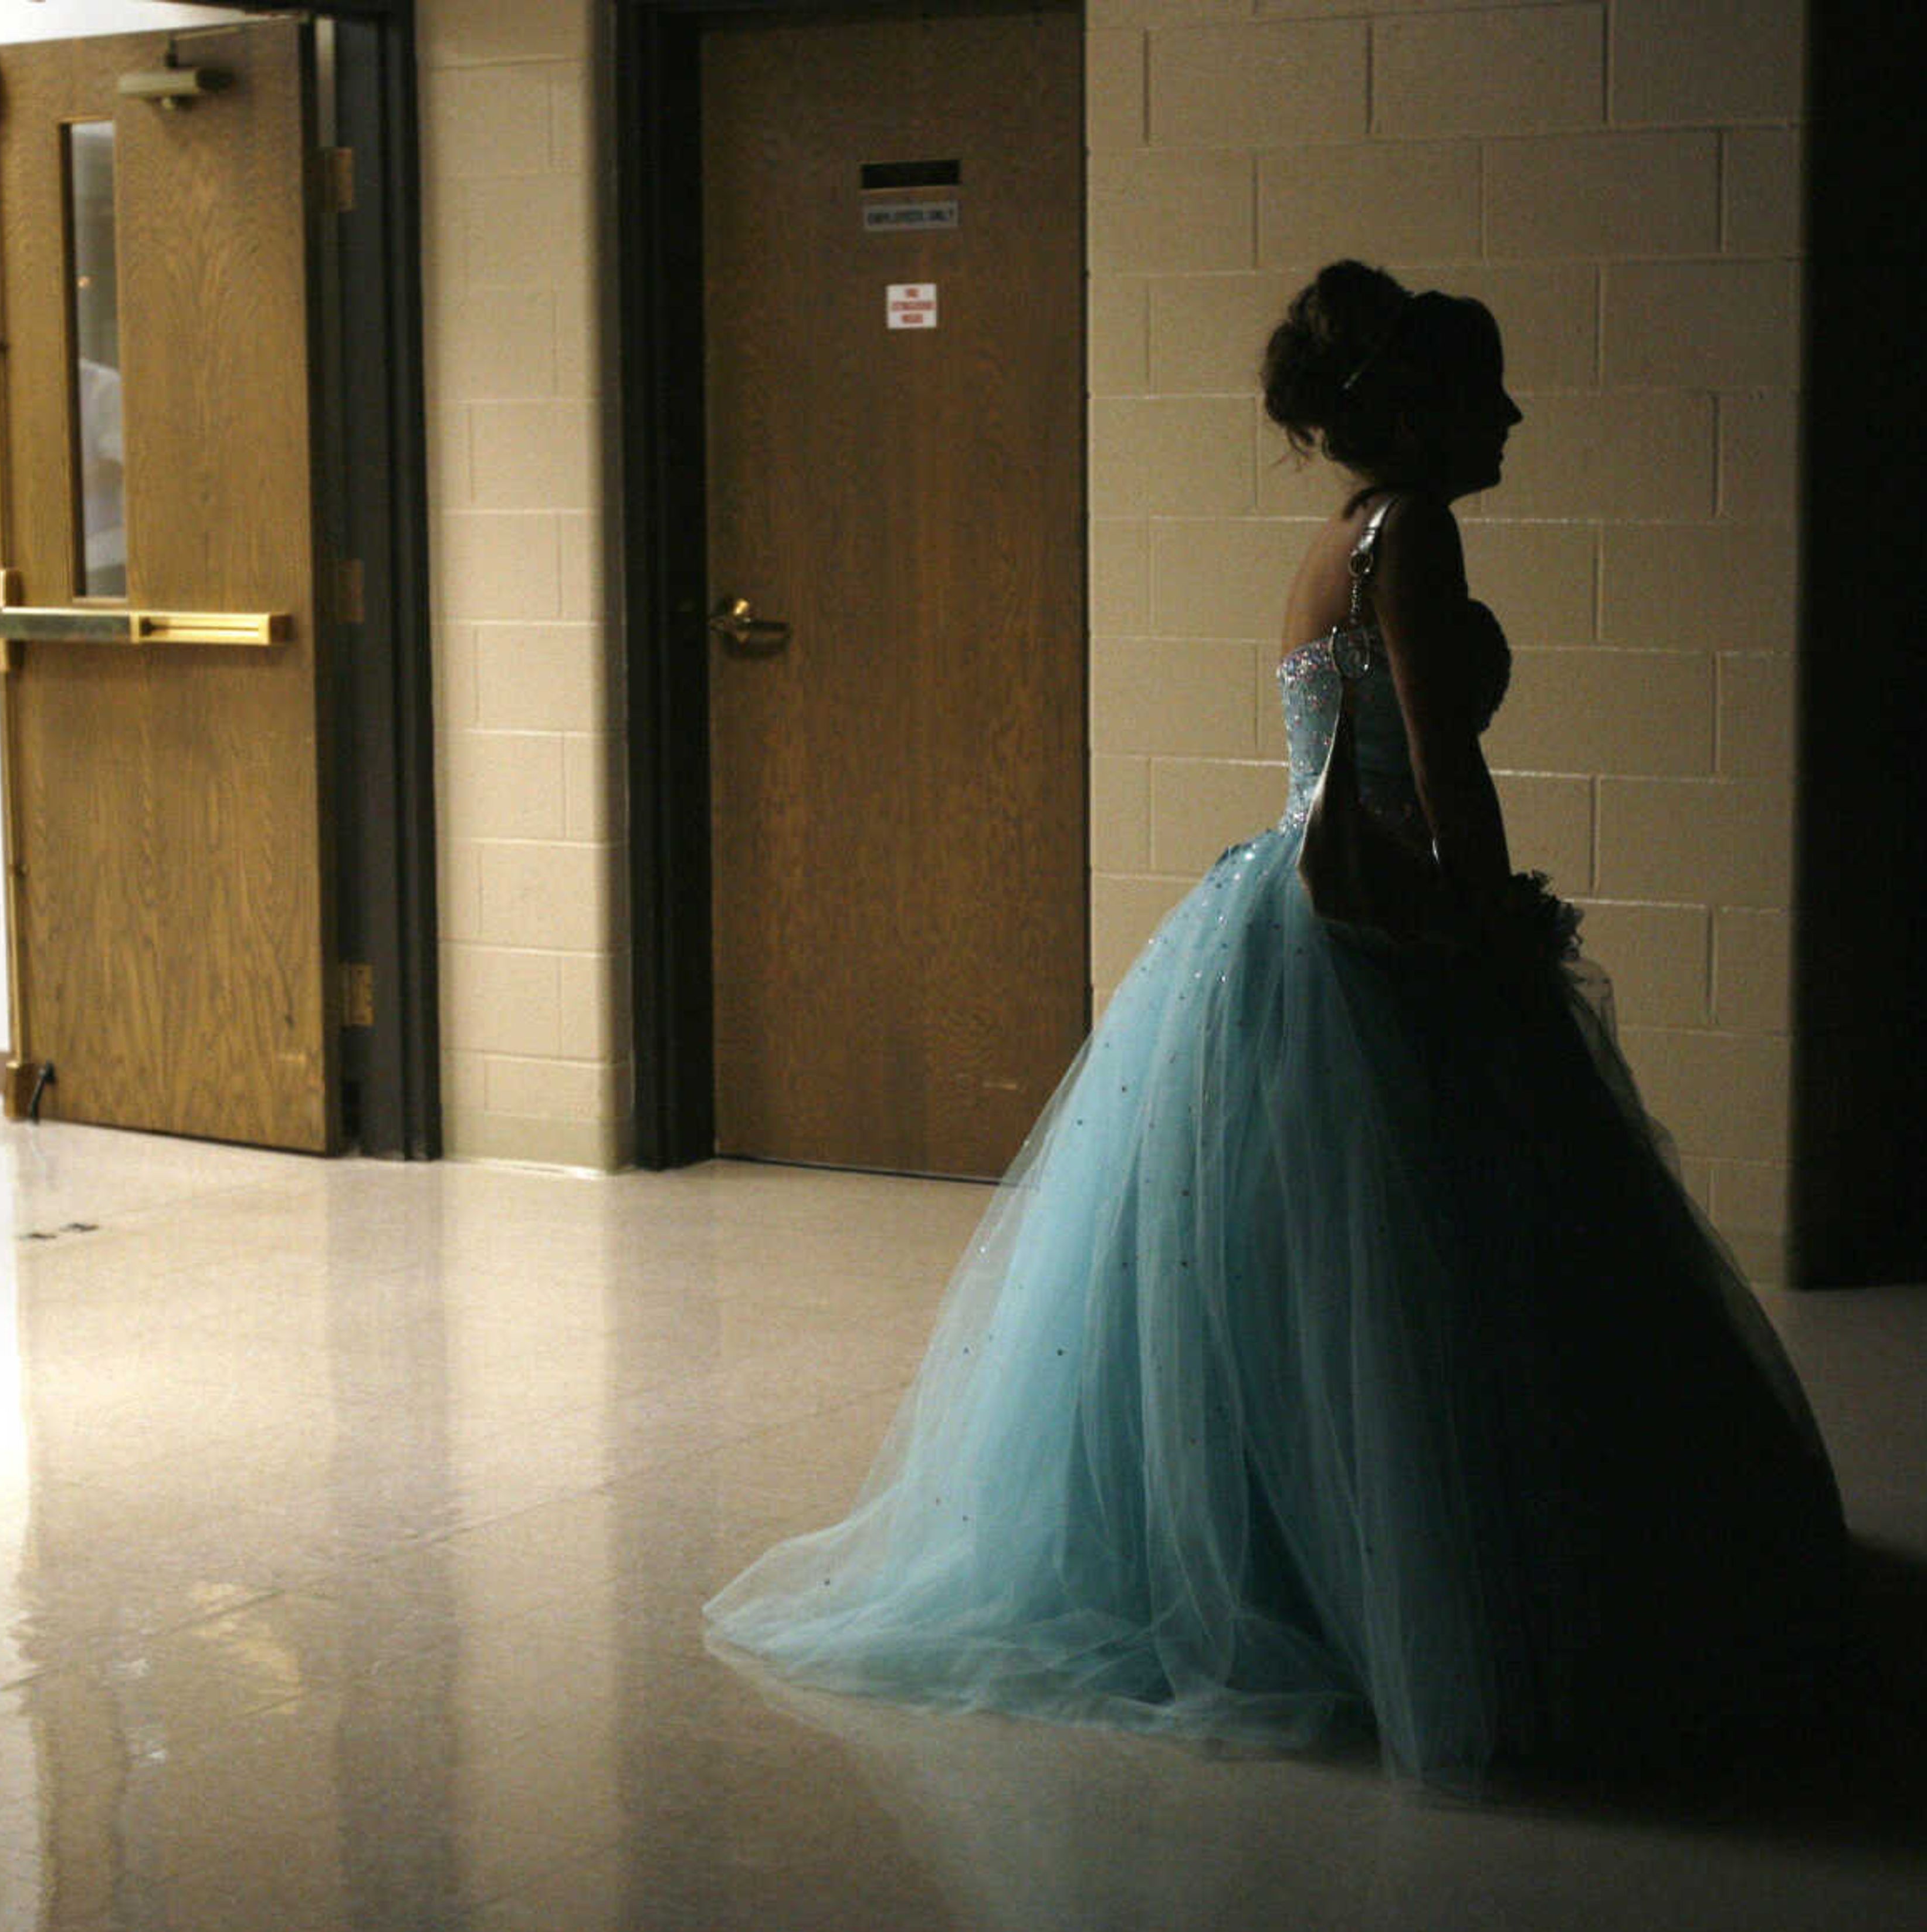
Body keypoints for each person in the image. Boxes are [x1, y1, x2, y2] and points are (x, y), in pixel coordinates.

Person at [706, 262, 1848, 1791]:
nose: (1513, 413)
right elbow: (1444, 768)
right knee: (1422, 1273)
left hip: (1283, 905)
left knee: (1302, 1268)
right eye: (1489, 389)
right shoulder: (1416, 534)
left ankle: (1289, 1555)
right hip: (1382, 926)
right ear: (1423, 409)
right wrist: (1498, 931)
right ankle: (1436, 1587)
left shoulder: (1332, 541)